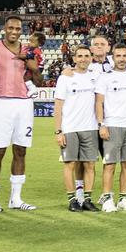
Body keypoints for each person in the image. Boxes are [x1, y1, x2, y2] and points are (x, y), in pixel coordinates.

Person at [0, 16, 42, 211]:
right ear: (4, 28)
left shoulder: (28, 50)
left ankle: (15, 199)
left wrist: (34, 68)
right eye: (11, 28)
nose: (14, 31)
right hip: (2, 103)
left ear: (22, 30)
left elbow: (39, 80)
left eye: (18, 28)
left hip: (24, 104)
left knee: (20, 151)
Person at [52, 45, 99, 212]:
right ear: (74, 58)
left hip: (90, 127)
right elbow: (58, 106)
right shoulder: (65, 78)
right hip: (70, 128)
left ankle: (87, 199)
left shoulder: (96, 76)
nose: (83, 59)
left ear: (91, 58)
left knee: (90, 165)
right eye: (80, 56)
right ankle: (72, 199)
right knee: (70, 164)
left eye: (86, 56)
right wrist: (58, 131)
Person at [95, 44, 126, 212]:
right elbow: (98, 102)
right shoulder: (104, 77)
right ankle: (107, 198)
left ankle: (122, 198)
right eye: (118, 56)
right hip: (112, 125)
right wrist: (102, 124)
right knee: (110, 164)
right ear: (113, 57)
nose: (121, 59)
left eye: (124, 56)